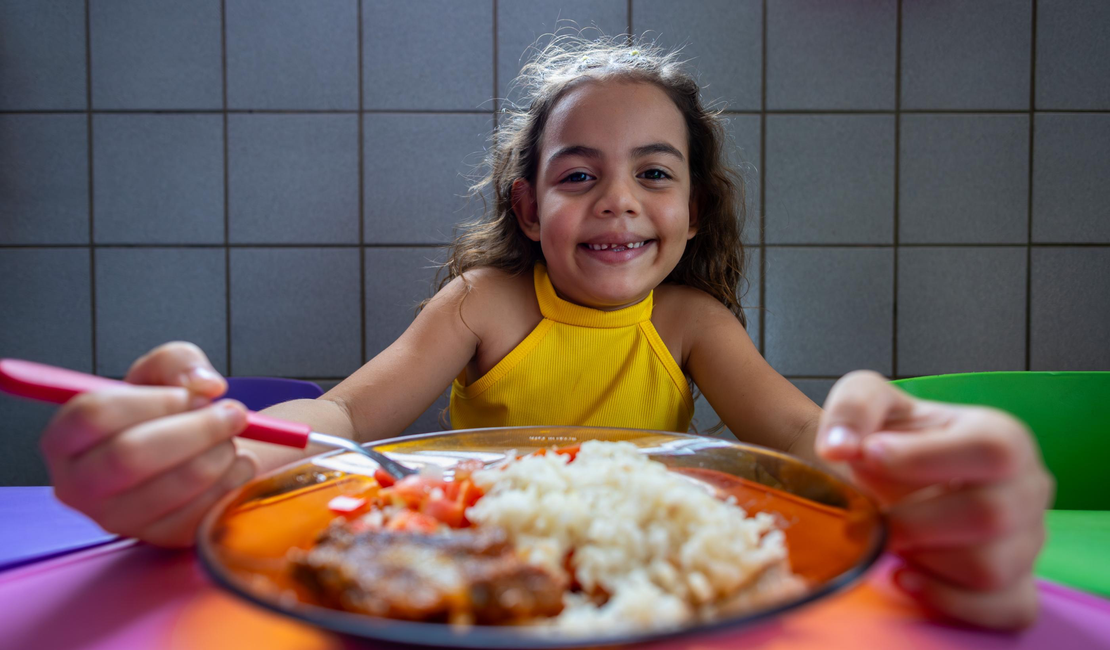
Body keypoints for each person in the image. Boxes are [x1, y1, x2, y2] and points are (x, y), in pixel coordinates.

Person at [38, 36, 1050, 631]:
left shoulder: (692, 321)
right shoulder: (481, 302)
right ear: (529, 207)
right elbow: (344, 418)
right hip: (472, 576)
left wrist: (895, 468)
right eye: (578, 175)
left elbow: (794, 435)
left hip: (646, 601)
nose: (618, 200)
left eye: (654, 173)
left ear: (694, 210)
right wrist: (230, 451)